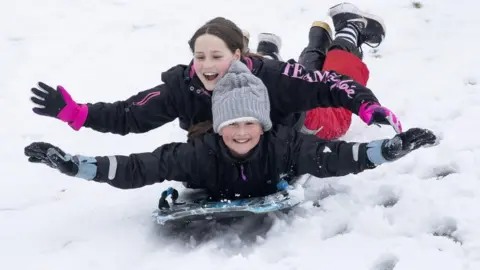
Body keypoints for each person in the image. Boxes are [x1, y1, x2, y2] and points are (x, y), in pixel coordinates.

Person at [25, 61, 437, 201]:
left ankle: (334, 35)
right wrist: (74, 165)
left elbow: (336, 158)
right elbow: (138, 167)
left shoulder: (285, 145)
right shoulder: (198, 152)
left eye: (248, 125)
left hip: (296, 110)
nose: (240, 133)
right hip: (268, 96)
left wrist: (390, 148)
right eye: (232, 125)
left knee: (329, 118)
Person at [29, 3, 401, 143]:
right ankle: (305, 41)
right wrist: (77, 113)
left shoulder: (270, 78)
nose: (206, 66)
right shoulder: (184, 86)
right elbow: (131, 115)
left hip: (292, 124)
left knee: (331, 119)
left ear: (238, 56)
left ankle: (347, 29)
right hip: (239, 133)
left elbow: (330, 85)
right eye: (199, 56)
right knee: (298, 77)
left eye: (216, 57)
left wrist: (366, 107)